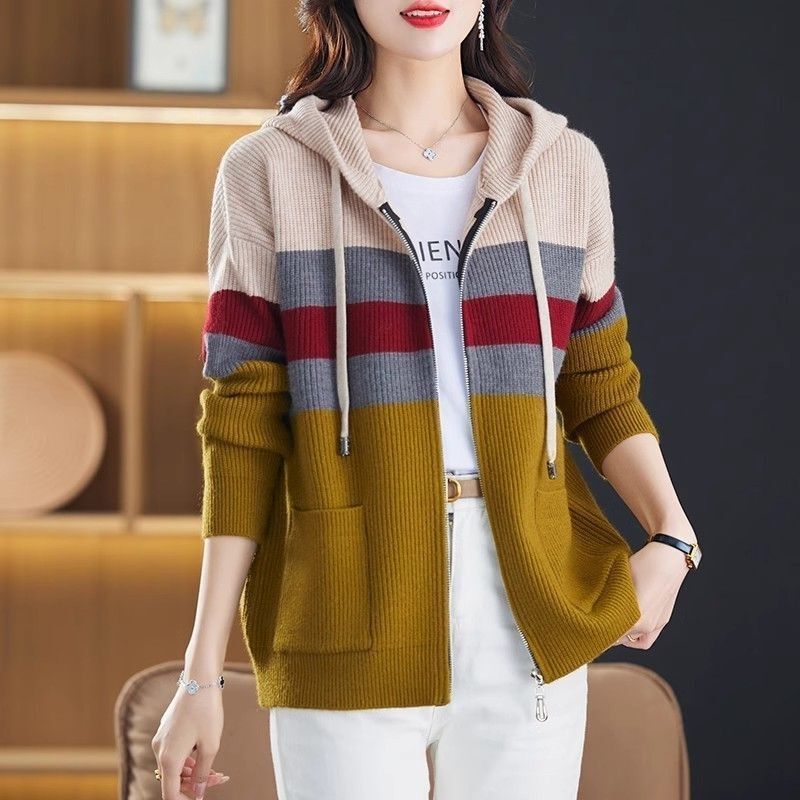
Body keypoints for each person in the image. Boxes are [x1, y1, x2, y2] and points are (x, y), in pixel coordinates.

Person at [151, 1, 702, 798]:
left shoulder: (563, 165)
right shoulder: (268, 170)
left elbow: (599, 381)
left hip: (529, 606)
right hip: (343, 602)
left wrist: (673, 537)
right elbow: (241, 428)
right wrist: (201, 673)